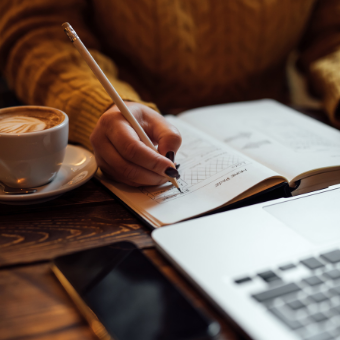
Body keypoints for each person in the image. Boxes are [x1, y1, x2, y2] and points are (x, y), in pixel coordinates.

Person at [1, 0, 340, 186]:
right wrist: (104, 104)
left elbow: (332, 33)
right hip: (128, 140)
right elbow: (36, 29)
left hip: (285, 154)